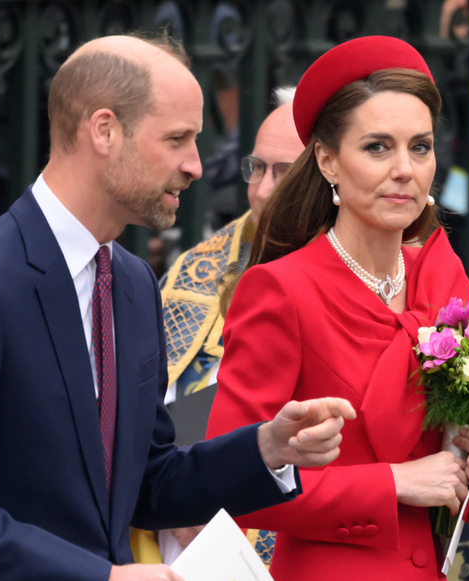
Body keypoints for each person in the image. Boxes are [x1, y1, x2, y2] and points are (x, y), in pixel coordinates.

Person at [0, 34, 355, 581]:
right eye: (178, 139)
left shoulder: (134, 284)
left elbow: (147, 481)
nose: (197, 166)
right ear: (104, 130)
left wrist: (268, 447)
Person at [205, 36, 469, 581]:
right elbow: (232, 481)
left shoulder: (443, 272)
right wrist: (395, 482)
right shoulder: (280, 290)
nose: (405, 169)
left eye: (419, 148)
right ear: (327, 160)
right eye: (378, 147)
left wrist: (468, 441)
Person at [130, 87, 305, 566]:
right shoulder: (195, 271)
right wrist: (177, 496)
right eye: (257, 169)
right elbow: (137, 412)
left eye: (285, 173)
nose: (264, 190)